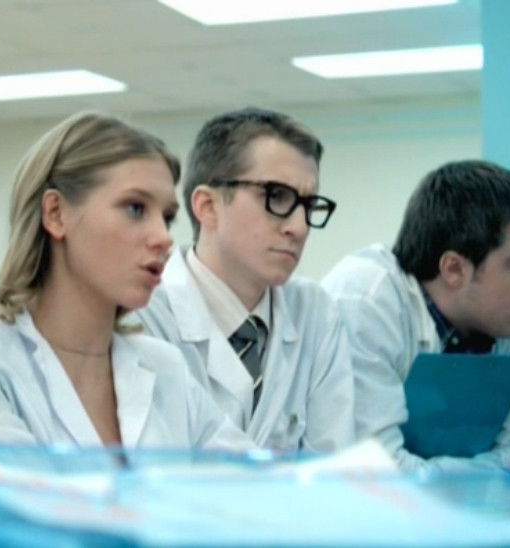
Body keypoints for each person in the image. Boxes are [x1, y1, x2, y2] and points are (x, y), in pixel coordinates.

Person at [0, 111, 253, 451]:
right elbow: (16, 483)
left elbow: (243, 476)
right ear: (56, 213)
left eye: (167, 217)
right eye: (135, 208)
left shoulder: (165, 368)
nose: (163, 237)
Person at [136, 107, 354, 451]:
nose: (299, 227)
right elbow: (156, 468)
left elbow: (333, 464)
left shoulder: (315, 312)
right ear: (207, 206)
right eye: (277, 197)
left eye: (309, 206)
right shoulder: (144, 312)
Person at [321, 159, 510, 472]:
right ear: (454, 269)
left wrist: (505, 474)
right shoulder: (366, 301)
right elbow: (378, 473)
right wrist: (504, 475)